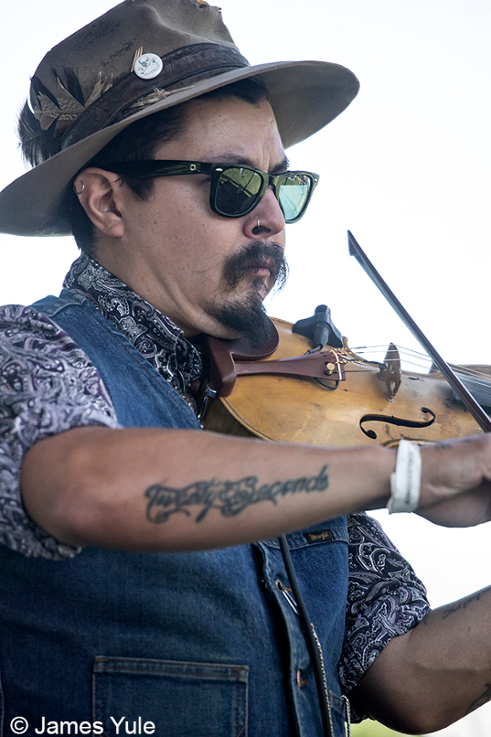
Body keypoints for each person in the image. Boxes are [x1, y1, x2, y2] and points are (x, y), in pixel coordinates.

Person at [1, 1, 491, 734]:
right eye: (232, 184)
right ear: (107, 201)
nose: (272, 219)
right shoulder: (28, 349)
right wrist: (417, 472)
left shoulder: (294, 413)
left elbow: (408, 679)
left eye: (280, 185)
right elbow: (84, 485)